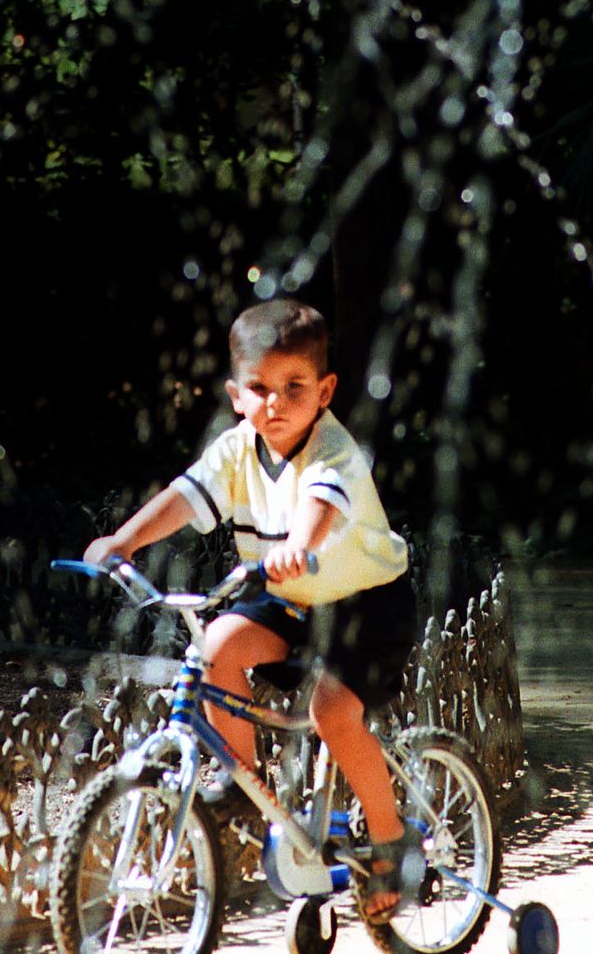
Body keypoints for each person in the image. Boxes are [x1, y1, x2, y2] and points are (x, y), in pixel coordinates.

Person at [83, 298, 418, 922]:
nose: (276, 403)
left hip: (368, 606)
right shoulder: (238, 449)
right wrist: (123, 542)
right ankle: (244, 782)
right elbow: (185, 497)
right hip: (292, 598)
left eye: (295, 387)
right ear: (237, 395)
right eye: (260, 389)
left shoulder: (333, 451)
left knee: (333, 714)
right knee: (215, 649)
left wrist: (298, 545)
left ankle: (392, 838)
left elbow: (320, 508)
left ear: (325, 391)